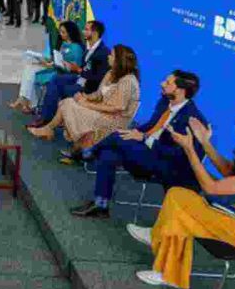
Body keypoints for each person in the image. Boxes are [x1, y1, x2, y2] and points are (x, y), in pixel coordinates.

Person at [130, 107, 235, 289]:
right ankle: (159, 238)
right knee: (178, 195)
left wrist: (189, 149)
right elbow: (229, 172)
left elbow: (211, 187)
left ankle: (167, 265)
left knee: (181, 208)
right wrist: (204, 141)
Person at [70, 70, 207, 219]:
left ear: (180, 90)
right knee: (109, 154)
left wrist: (144, 138)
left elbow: (180, 156)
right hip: (145, 152)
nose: (162, 84)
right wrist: (134, 133)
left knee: (116, 136)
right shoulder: (165, 102)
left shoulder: (193, 120)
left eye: (168, 83)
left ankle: (87, 153)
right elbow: (151, 125)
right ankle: (100, 205)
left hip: (166, 165)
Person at [28, 44, 141, 157]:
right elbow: (98, 95)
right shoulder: (110, 73)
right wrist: (84, 97)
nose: (108, 56)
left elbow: (116, 108)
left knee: (67, 105)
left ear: (119, 61)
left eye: (111, 55)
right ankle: (53, 131)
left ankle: (72, 140)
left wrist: (87, 104)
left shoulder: (128, 81)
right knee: (68, 101)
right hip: (102, 112)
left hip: (113, 120)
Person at [31, 19, 110, 127]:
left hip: (89, 85)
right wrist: (74, 68)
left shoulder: (102, 52)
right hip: (80, 78)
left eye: (86, 30)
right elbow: (84, 68)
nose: (83, 31)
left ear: (95, 33)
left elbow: (99, 77)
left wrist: (78, 70)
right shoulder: (89, 48)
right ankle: (47, 117)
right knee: (56, 79)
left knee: (63, 87)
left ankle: (49, 119)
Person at [9, 21, 84, 113]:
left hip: (62, 72)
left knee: (32, 73)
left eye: (63, 32)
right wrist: (47, 60)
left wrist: (58, 64)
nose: (60, 34)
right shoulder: (63, 44)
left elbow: (75, 67)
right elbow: (58, 58)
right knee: (29, 67)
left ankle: (27, 101)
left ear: (70, 33)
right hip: (56, 67)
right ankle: (24, 99)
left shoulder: (76, 48)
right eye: (60, 32)